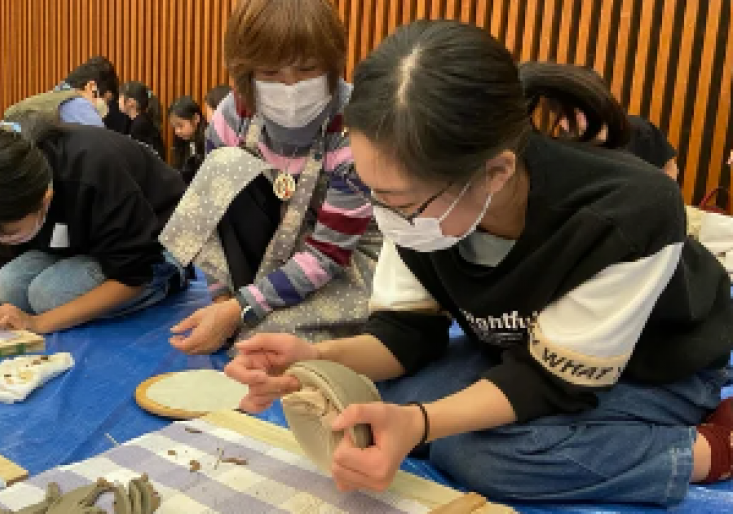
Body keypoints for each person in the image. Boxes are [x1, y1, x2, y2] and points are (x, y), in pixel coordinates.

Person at [224, 20, 733, 506]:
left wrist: (423, 425)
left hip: (649, 369)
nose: (386, 215)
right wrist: (314, 357)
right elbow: (406, 335)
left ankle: (711, 448)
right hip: (519, 353)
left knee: (480, 455)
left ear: (495, 172)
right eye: (373, 190)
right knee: (381, 402)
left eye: (400, 200)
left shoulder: (623, 215)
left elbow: (551, 381)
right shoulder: (424, 204)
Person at [159, 0, 382, 355]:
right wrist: (223, 299)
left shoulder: (355, 126)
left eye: (308, 70)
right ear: (246, 72)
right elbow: (213, 220)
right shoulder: (233, 117)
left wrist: (241, 310)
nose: (291, 86)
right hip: (266, 256)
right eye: (271, 73)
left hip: (342, 260)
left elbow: (328, 254)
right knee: (222, 166)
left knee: (257, 344)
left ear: (333, 65)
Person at [0, 118, 187, 334]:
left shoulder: (94, 172)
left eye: (9, 233)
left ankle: (168, 280)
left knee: (50, 295)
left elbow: (133, 275)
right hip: (86, 245)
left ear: (45, 199)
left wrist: (38, 323)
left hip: (154, 248)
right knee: (8, 286)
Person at [524, 62, 679, 179]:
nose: (568, 122)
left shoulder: (639, 130)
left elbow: (669, 169)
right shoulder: (560, 146)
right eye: (563, 116)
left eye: (581, 111)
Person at [4, 59, 117, 127]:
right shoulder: (77, 103)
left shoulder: (44, 100)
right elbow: (100, 146)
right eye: (105, 100)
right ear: (92, 87)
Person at [119, 81, 166, 160]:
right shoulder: (138, 120)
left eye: (120, 97)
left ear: (130, 102)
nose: (118, 101)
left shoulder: (140, 124)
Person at [168, 96, 208, 184]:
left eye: (180, 126)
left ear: (196, 119)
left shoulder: (208, 141)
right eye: (174, 127)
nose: (177, 131)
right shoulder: (180, 143)